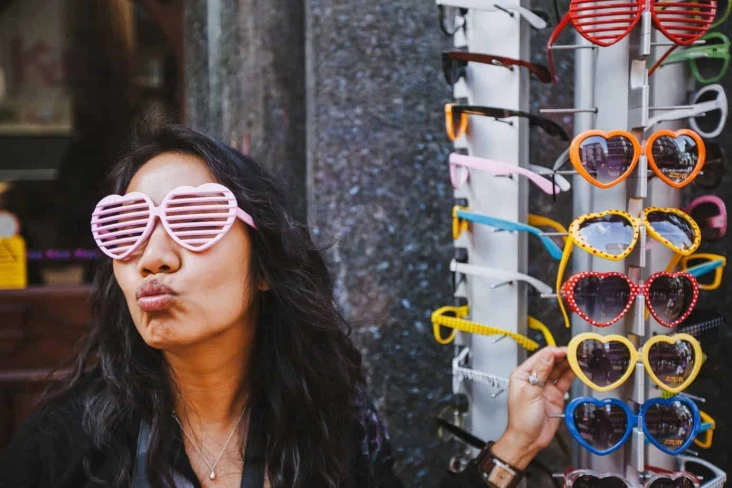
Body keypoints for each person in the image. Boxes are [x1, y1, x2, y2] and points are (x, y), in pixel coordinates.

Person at [0, 124, 575, 488]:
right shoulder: (67, 446)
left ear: (264, 266)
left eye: (193, 219)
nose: (153, 258)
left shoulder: (327, 420)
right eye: (127, 229)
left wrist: (515, 445)